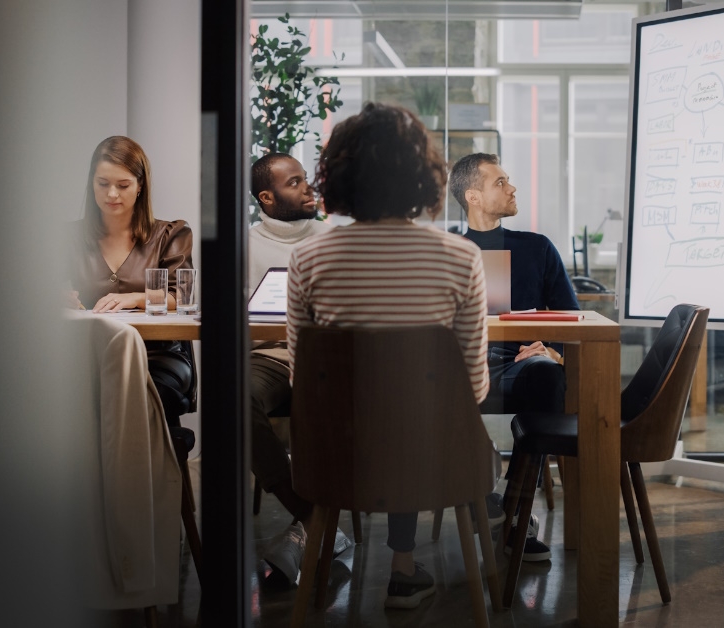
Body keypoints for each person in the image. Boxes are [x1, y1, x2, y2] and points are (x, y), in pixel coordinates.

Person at [287, 102, 490, 609]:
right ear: (424, 175)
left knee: (382, 413)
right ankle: (404, 568)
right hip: (436, 459)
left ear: (336, 175)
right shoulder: (461, 256)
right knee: (414, 411)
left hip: (339, 459)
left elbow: (303, 380)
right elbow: (474, 388)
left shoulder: (308, 258)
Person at [449, 153, 579, 562]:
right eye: (500, 182)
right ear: (473, 196)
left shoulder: (536, 247)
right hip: (459, 368)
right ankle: (482, 496)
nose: (513, 188)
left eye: (509, 180)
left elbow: (570, 316)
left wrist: (551, 347)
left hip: (520, 364)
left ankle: (516, 508)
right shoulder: (448, 250)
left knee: (546, 375)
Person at [246, 152, 350, 586]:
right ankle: (309, 516)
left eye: (306, 179)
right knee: (234, 396)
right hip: (267, 357)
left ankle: (312, 527)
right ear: (267, 197)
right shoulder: (243, 243)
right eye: (294, 183)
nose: (308, 188)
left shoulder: (331, 238)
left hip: (322, 357)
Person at [69, 135, 196, 429]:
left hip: (158, 355)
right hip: (89, 355)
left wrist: (137, 298)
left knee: (128, 396)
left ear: (140, 186)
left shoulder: (170, 235)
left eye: (123, 185)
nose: (112, 194)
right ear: (92, 184)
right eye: (103, 184)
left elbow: (182, 297)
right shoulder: (70, 238)